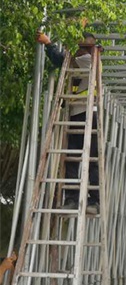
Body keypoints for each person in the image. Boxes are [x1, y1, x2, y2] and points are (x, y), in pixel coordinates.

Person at [36, 31, 102, 215]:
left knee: (90, 161)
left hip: (89, 116)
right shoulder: (83, 59)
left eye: (81, 48)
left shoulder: (89, 60)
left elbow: (61, 60)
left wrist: (48, 43)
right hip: (76, 114)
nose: (79, 51)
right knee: (72, 160)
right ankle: (72, 199)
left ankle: (95, 202)